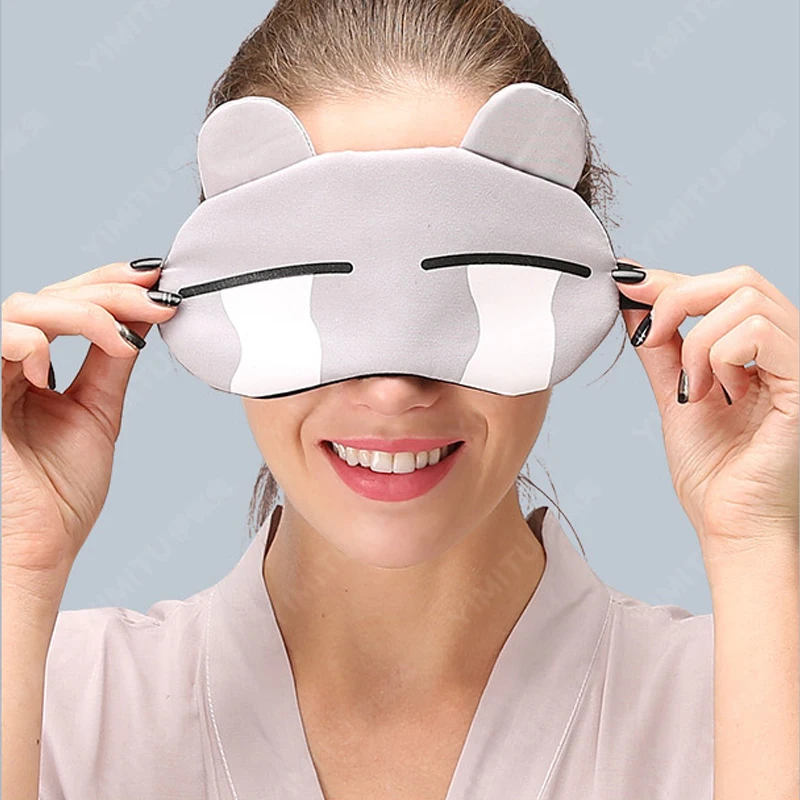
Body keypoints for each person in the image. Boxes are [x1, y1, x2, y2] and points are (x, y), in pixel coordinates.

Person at [3, 1, 798, 799]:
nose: (392, 390)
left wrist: (758, 541)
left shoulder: (740, 692)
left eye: (467, 298)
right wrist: (16, 562)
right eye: (321, 298)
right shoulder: (58, 698)